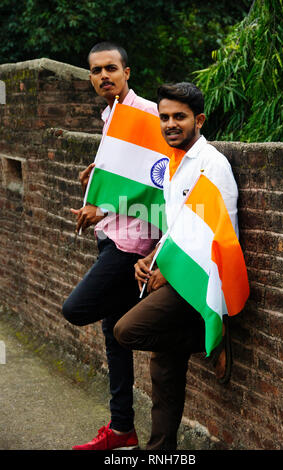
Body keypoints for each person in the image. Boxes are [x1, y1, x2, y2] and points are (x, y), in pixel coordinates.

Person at [114, 82, 238, 450]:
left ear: (198, 120)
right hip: (170, 272)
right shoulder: (172, 164)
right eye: (164, 116)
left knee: (126, 331)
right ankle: (160, 451)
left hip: (199, 280)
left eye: (179, 117)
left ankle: (206, 336)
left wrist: (170, 271)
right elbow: (177, 228)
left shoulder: (212, 165)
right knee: (163, 372)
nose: (170, 124)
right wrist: (152, 258)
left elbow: (221, 234)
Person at [62, 42, 160, 450]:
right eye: (97, 71)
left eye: (111, 69)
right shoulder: (110, 115)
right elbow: (127, 171)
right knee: (113, 337)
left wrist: (104, 205)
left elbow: (160, 183)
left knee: (77, 309)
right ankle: (123, 431)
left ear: (127, 72)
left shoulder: (148, 114)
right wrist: (97, 172)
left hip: (132, 243)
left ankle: (170, 326)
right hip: (111, 239)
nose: (104, 76)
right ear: (90, 77)